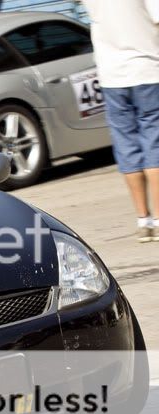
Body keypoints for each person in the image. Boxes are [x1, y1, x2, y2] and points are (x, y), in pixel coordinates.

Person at [82, 0, 159, 242]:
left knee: (127, 146)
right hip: (147, 69)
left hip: (111, 76)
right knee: (154, 143)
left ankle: (143, 220)